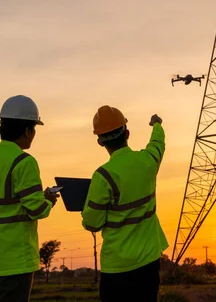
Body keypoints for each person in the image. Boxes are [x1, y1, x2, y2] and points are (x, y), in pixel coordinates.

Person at [0, 95, 59, 302]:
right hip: (14, 260)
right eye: (34, 129)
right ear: (28, 130)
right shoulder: (23, 162)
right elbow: (37, 209)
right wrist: (48, 200)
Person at [82, 106, 168, 302]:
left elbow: (92, 224)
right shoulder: (148, 161)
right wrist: (157, 124)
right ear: (127, 133)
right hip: (148, 262)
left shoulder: (102, 176)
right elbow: (157, 143)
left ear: (100, 142)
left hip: (116, 267)